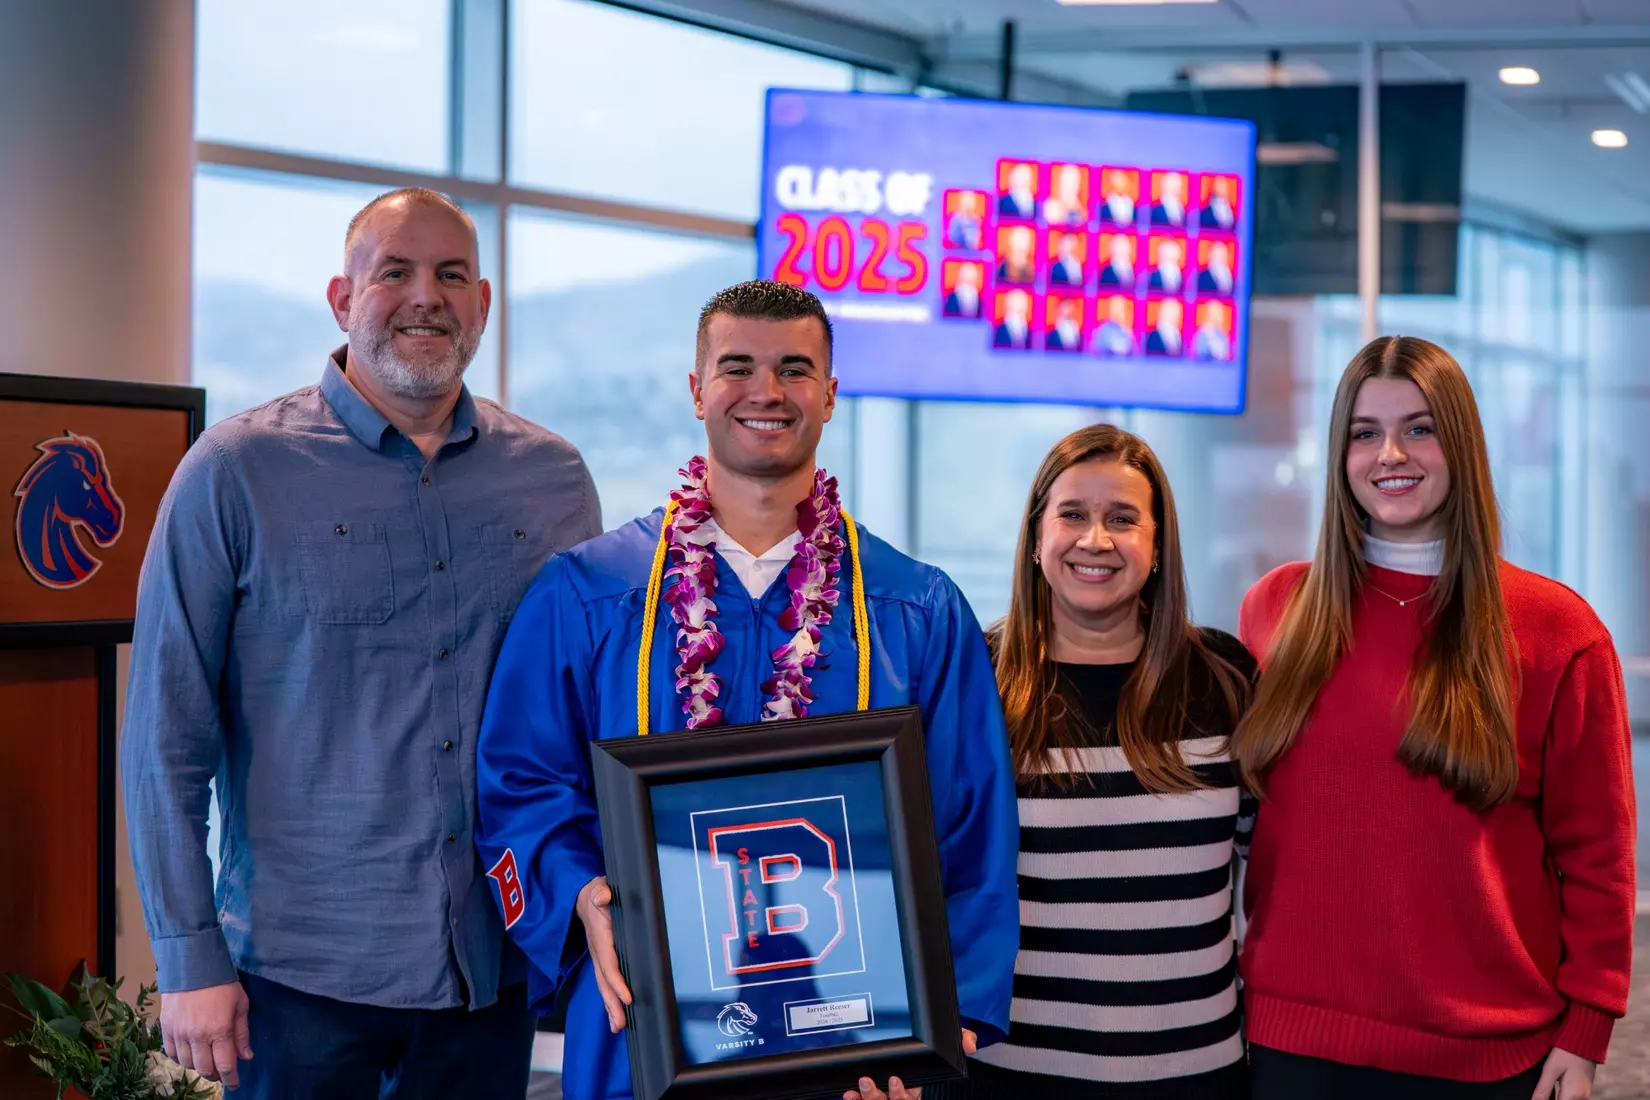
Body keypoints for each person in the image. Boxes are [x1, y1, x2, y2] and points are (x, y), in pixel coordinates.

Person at [474, 281, 1020, 1100]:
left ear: (831, 395)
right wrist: (577, 894)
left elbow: (974, 830)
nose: (766, 391)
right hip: (645, 1035)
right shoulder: (588, 597)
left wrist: (940, 1031)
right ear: (696, 389)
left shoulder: (914, 608)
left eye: (795, 369)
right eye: (737, 367)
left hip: (853, 1048)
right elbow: (517, 786)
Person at [121, 187, 602, 1098]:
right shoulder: (233, 472)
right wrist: (189, 960)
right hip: (298, 981)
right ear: (344, 302)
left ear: (484, 304)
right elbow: (163, 743)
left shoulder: (553, 479)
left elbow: (579, 716)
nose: (427, 295)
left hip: (491, 968)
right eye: (396, 272)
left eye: (451, 275)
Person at [1234, 337, 1636, 1100]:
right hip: (1291, 1043)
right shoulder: (1276, 609)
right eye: (1364, 432)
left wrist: (1586, 1034)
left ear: (1462, 445)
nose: (1391, 453)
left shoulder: (1555, 630)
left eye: (1420, 428)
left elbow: (1598, 857)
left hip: (1488, 1055)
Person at [928, 424, 1256, 1100]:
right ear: (1036, 536)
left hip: (1197, 1077)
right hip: (1009, 1079)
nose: (1095, 540)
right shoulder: (974, 682)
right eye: (1072, 515)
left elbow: (1264, 874)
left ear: (1158, 546)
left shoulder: (1225, 680)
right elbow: (932, 884)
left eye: (1123, 519)